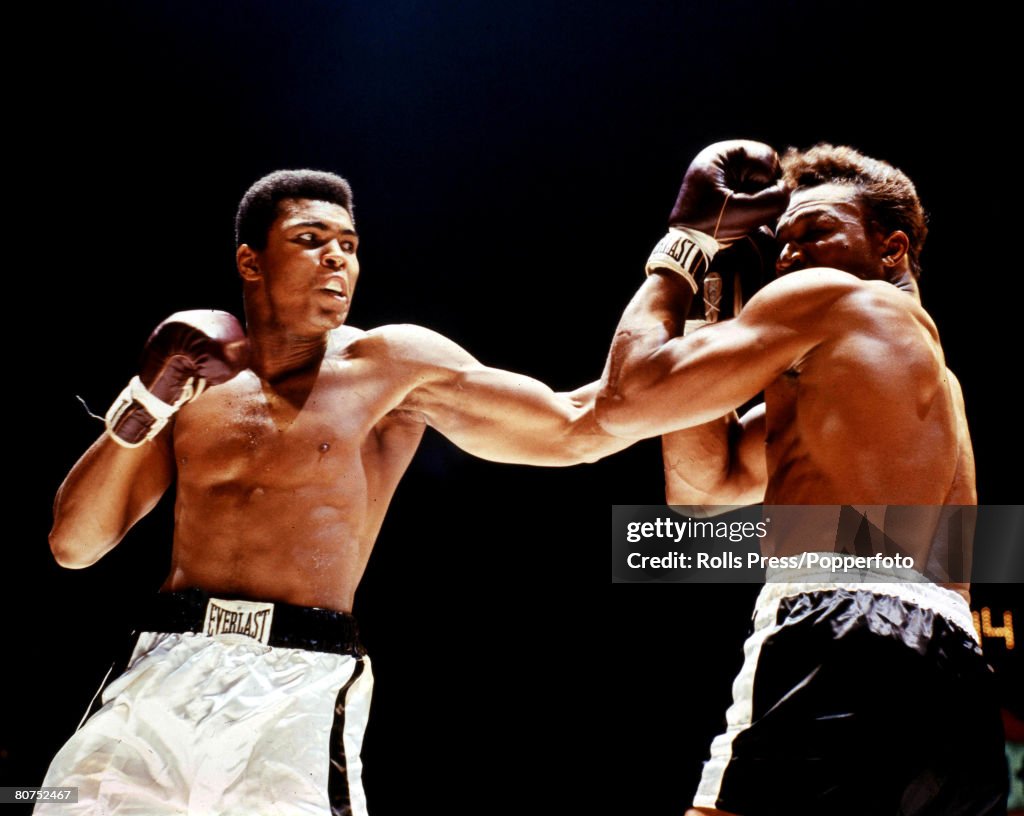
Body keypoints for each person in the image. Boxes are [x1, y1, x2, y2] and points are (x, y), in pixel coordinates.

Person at [38, 169, 630, 816]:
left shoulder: (390, 366)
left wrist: (684, 274)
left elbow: (579, 427)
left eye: (349, 244)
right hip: (161, 667)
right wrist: (148, 396)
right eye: (310, 238)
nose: (336, 258)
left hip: (300, 683)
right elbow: (73, 543)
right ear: (250, 261)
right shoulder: (195, 378)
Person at [596, 141, 1008, 815]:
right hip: (957, 672)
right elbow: (703, 491)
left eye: (815, 233)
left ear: (893, 249)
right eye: (781, 243)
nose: (788, 258)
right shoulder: (906, 382)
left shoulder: (833, 297)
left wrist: (684, 245)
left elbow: (626, 399)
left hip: (839, 631)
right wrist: (711, 301)